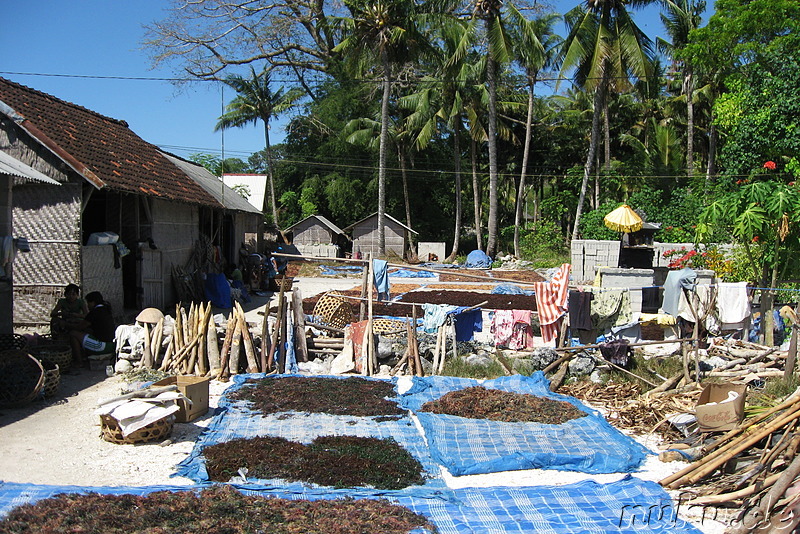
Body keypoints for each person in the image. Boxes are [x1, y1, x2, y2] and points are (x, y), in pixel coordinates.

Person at [69, 291, 116, 367]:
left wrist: (66, 324)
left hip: (101, 347)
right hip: (111, 345)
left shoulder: (94, 312)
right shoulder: (105, 309)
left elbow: (79, 327)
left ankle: (79, 362)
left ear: (93, 302)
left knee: (73, 333)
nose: (87, 305)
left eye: (88, 303)